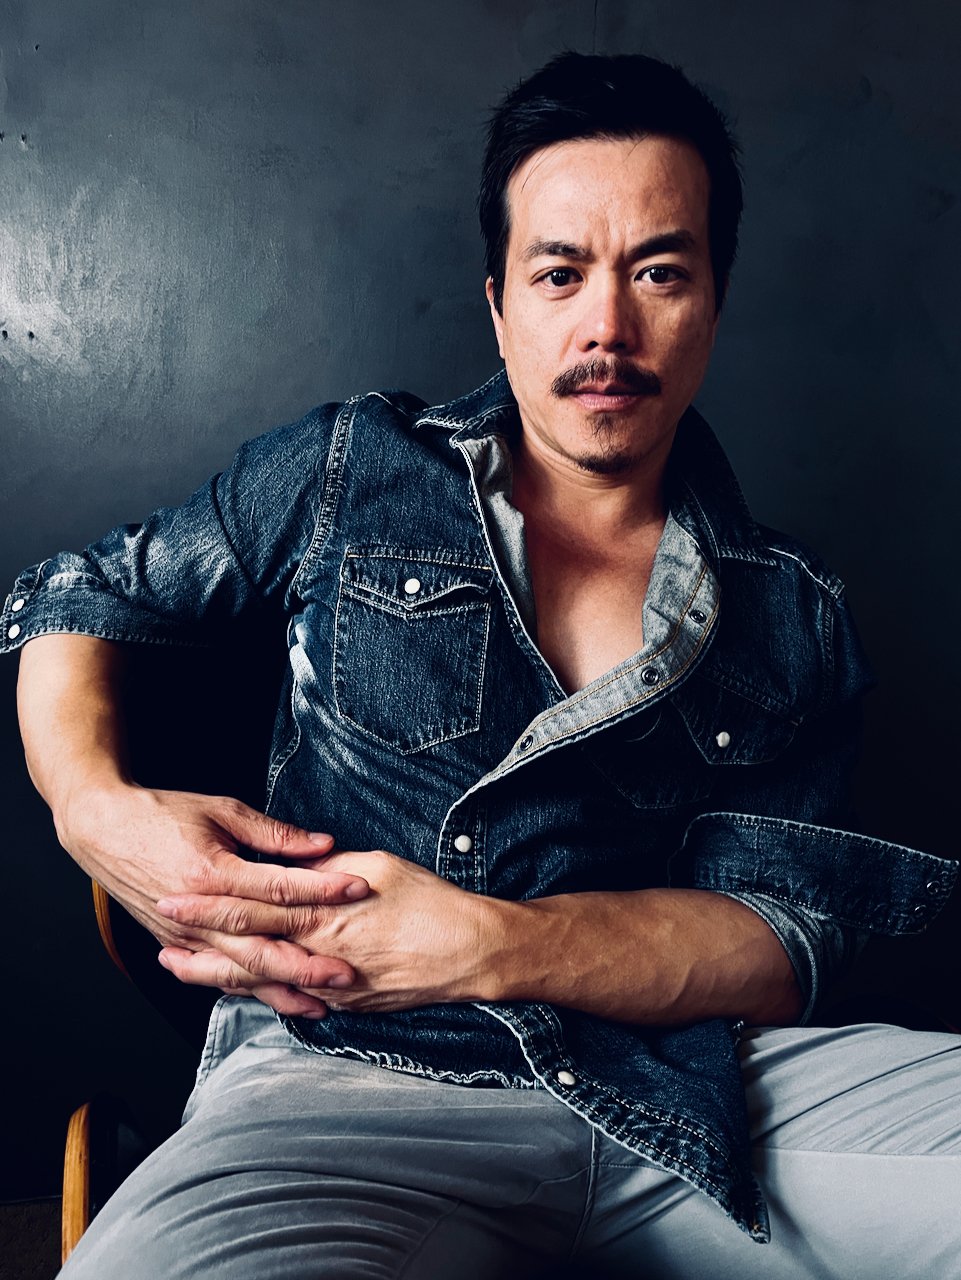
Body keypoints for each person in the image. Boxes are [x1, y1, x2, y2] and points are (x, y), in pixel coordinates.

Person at [6, 52, 960, 1280]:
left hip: (686, 1084)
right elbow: (83, 592)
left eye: (658, 272)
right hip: (346, 1080)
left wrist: (483, 942)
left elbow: (778, 942)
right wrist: (91, 805)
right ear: (501, 305)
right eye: (560, 274)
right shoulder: (355, 467)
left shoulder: (791, 603)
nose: (606, 328)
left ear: (713, 301)